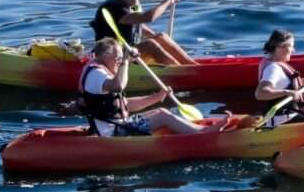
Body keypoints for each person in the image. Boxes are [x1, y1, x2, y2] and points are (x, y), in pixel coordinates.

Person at [79, 38, 229, 137]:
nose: (119, 62)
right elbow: (119, 86)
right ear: (105, 56)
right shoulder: (96, 74)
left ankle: (196, 130)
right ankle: (203, 134)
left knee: (161, 111)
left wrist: (157, 97)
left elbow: (124, 104)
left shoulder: (97, 72)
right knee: (164, 117)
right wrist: (125, 60)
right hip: (112, 132)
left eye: (120, 59)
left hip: (117, 126)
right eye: (117, 58)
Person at [90, 0, 193, 66]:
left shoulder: (131, 5)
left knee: (161, 36)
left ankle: (193, 65)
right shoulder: (113, 8)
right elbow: (149, 17)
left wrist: (158, 39)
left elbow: (138, 26)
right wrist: (168, 1)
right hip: (111, 57)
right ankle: (181, 71)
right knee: (150, 45)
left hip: (129, 52)